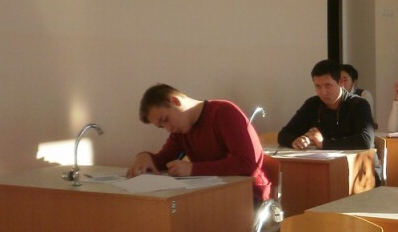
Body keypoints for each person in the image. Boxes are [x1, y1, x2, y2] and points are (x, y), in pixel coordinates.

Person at [127, 83, 271, 202]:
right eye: (162, 126)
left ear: (175, 101)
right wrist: (145, 157)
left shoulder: (223, 112)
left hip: (248, 197)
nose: (168, 128)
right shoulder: (180, 130)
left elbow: (246, 163)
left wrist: (193, 169)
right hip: (211, 197)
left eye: (165, 120)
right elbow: (164, 161)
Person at [278, 60, 375, 151]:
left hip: (354, 162)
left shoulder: (359, 104)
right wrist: (296, 141)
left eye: (328, 85)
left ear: (341, 82)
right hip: (321, 161)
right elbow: (284, 134)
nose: (323, 92)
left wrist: (323, 143)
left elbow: (366, 140)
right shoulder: (312, 104)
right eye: (318, 86)